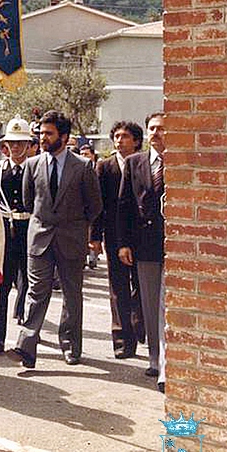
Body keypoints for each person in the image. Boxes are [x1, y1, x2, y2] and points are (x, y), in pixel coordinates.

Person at [13, 110, 102, 368]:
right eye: (40, 133)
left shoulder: (83, 167)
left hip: (71, 239)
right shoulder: (32, 165)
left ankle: (71, 346)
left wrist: (76, 225)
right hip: (40, 238)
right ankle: (26, 346)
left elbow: (94, 206)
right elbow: (30, 201)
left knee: (72, 294)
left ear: (64, 136)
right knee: (35, 292)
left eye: (48, 133)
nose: (42, 138)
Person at [117, 113, 167, 392]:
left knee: (166, 305)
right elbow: (123, 205)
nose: (156, 133)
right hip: (144, 245)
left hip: (172, 244)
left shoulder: (180, 161)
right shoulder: (135, 163)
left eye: (161, 129)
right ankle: (154, 359)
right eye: (152, 129)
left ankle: (167, 363)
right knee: (149, 304)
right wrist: (123, 243)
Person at [90, 121, 145, 359]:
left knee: (142, 287)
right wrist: (95, 236)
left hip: (141, 235)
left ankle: (139, 324)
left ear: (136, 141)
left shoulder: (144, 164)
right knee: (118, 288)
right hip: (113, 235)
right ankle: (121, 339)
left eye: (125, 136)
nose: (120, 140)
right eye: (117, 136)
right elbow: (97, 204)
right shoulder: (105, 167)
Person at [0, 117, 34, 352]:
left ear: (29, 145)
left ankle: (27, 339)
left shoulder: (36, 169)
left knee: (31, 285)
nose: (16, 148)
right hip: (5, 233)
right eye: (12, 143)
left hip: (30, 232)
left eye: (21, 143)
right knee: (2, 285)